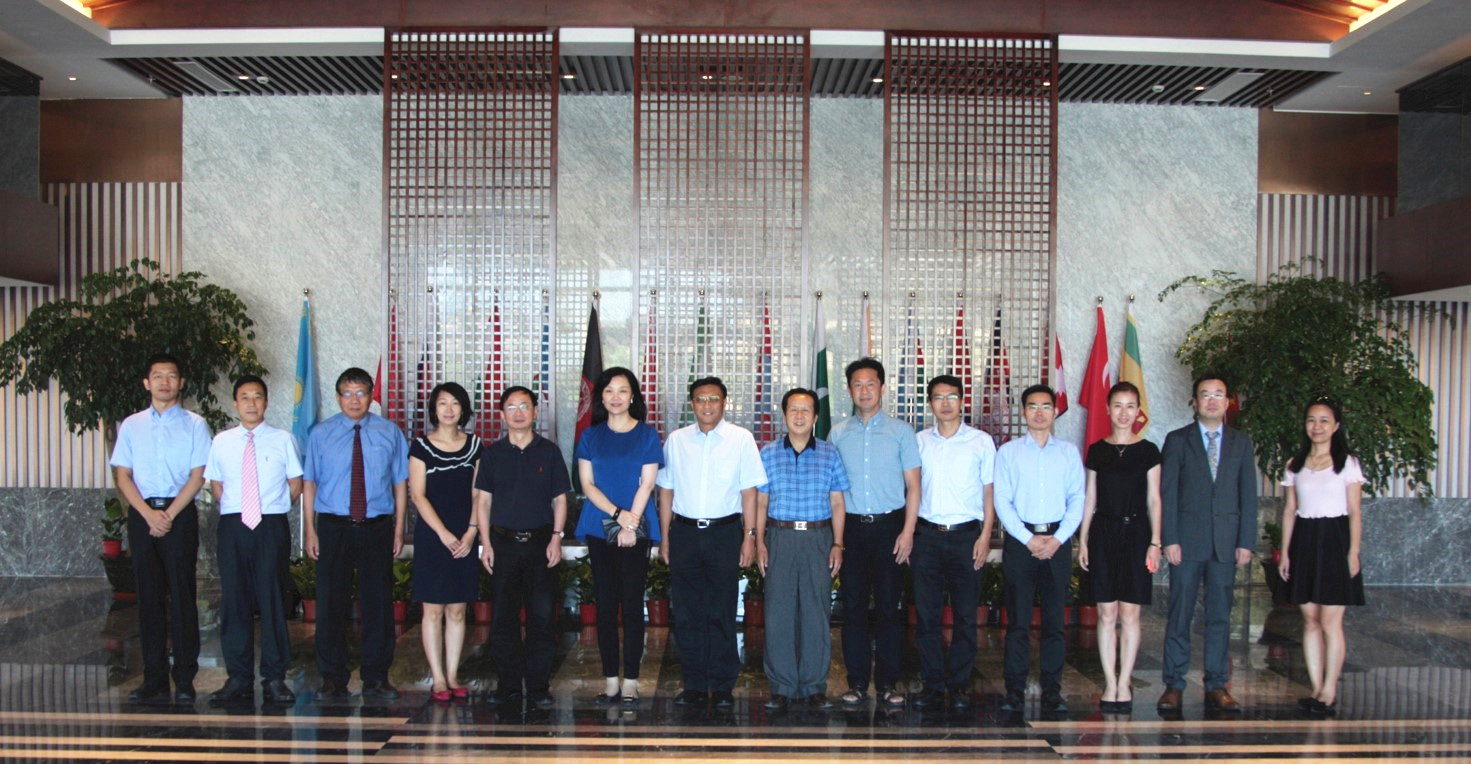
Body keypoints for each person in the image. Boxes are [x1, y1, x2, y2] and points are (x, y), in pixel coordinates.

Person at [656, 376, 768, 710]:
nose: (707, 405)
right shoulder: (676, 440)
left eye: (714, 399)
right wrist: (665, 538)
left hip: (725, 533)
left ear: (724, 402)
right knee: (687, 613)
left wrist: (750, 536)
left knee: (721, 611)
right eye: (701, 399)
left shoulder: (741, 439)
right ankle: (693, 685)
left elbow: (750, 492)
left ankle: (721, 686)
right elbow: (666, 491)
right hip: (685, 533)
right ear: (692, 404)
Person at [303, 367, 409, 700]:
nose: (354, 400)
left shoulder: (389, 432)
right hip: (333, 526)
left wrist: (399, 529)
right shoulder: (321, 434)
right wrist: (310, 530)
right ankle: (332, 676)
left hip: (376, 526)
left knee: (377, 603)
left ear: (370, 396)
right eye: (347, 393)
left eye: (361, 392)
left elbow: (400, 483)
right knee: (330, 602)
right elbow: (309, 483)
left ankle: (376, 676)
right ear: (338, 398)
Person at [111, 353, 211, 703]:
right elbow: (123, 475)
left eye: (171, 376)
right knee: (148, 597)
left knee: (183, 597)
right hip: (142, 515)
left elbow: (198, 477)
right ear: (146, 383)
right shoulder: (131, 425)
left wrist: (167, 515)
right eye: (158, 376)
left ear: (181, 382)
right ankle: (153, 677)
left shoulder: (196, 425)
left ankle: (184, 678)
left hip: (179, 515)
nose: (165, 382)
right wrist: (148, 515)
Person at [1158, 375, 1257, 714]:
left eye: (1218, 395)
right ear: (1195, 401)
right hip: (1186, 543)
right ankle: (1173, 683)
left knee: (1219, 617)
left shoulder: (1241, 443)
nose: (1212, 400)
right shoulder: (1177, 440)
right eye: (1205, 395)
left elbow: (1248, 495)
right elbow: (1168, 494)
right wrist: (1169, 538)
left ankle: (1217, 684)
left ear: (1227, 402)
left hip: (1226, 544)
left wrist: (1246, 541)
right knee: (1179, 614)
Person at [205, 375, 302, 705]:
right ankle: (238, 678)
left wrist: (272, 508)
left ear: (266, 402)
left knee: (273, 599)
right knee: (234, 601)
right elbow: (216, 485)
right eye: (244, 397)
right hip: (233, 525)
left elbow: (295, 483)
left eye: (257, 396)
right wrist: (239, 509)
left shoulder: (283, 439)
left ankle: (274, 678)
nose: (251, 403)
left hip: (270, 525)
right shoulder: (222, 441)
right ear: (235, 403)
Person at [828, 358, 920, 709]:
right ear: (849, 390)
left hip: (889, 528)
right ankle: (855, 683)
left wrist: (908, 531)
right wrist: (836, 541)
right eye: (857, 384)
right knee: (852, 609)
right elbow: (834, 492)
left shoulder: (901, 432)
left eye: (870, 384)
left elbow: (914, 486)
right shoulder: (838, 434)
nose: (864, 390)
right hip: (851, 529)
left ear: (882, 387)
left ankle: (887, 684)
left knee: (888, 609)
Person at [574, 367, 664, 706]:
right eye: (609, 390)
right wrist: (617, 516)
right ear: (601, 396)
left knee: (632, 604)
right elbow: (587, 484)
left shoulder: (647, 435)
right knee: (606, 605)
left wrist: (631, 524)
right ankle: (611, 680)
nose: (615, 396)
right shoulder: (590, 436)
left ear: (633, 396)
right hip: (601, 526)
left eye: (622, 390)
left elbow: (647, 483)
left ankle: (631, 682)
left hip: (636, 527)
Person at [475, 386, 570, 709]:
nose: (518, 413)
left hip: (541, 544)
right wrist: (486, 543)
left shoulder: (549, 452)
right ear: (502, 414)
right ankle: (509, 685)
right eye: (511, 407)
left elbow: (560, 500)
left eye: (524, 406)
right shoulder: (492, 455)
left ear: (535, 412)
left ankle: (539, 686)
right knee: (503, 619)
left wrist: (556, 537)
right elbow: (483, 502)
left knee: (542, 619)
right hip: (502, 544)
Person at [756, 388, 849, 712]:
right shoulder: (768, 453)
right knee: (778, 614)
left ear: (816, 416)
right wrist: (758, 541)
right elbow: (761, 501)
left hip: (818, 538)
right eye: (793, 410)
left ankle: (813, 686)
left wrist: (838, 543)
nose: (799, 416)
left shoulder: (829, 453)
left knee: (816, 613)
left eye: (806, 410)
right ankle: (781, 686)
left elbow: (838, 503)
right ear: (784, 415)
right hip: (779, 537)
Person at [993, 384, 1084, 715]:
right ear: (1023, 412)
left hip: (1057, 543)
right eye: (1032, 406)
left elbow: (1077, 499)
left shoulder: (1068, 453)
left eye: (1046, 406)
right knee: (1017, 623)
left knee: (1054, 623)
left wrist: (1058, 539)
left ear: (1055, 411)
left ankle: (1052, 692)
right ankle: (1014, 691)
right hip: (1021, 544)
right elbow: (1002, 501)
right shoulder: (1008, 452)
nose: (1039, 412)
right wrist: (1027, 539)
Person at [910, 375, 996, 711]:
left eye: (951, 397)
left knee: (965, 616)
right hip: (927, 537)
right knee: (927, 617)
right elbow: (911, 490)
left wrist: (986, 536)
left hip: (966, 537)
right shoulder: (918, 441)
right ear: (930, 403)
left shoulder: (981, 442)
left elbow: (989, 492)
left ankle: (960, 684)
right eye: (938, 397)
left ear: (962, 401)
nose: (945, 404)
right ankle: (932, 684)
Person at [1078, 381, 1162, 714]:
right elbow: (1090, 498)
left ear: (1138, 411)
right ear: (1108, 410)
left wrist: (1155, 542)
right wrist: (1084, 539)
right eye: (1117, 405)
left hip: (1137, 535)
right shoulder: (1097, 450)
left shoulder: (1149, 451)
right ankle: (1109, 682)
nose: (1124, 413)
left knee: (1129, 613)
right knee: (1106, 613)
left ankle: (1125, 681)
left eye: (1130, 406)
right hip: (1103, 533)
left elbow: (1154, 500)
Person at [1278, 396, 1364, 718]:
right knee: (1310, 620)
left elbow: (1355, 512)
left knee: (1330, 621)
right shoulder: (1294, 464)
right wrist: (1285, 552)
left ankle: (1330, 690)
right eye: (1312, 420)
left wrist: (1353, 552)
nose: (1317, 426)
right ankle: (1315, 688)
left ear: (1336, 425)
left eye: (1324, 420)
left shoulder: (1347, 463)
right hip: (1304, 541)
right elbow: (1289, 510)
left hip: (1335, 541)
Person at [408, 382, 483, 703]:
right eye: (442, 403)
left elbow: (480, 494)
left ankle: (453, 675)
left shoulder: (476, 445)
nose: (449, 409)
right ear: (433, 409)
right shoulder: (421, 447)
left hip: (465, 536)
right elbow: (418, 495)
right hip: (433, 537)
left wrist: (471, 532)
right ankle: (438, 678)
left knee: (457, 610)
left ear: (463, 409)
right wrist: (443, 534)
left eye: (455, 403)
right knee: (433, 610)